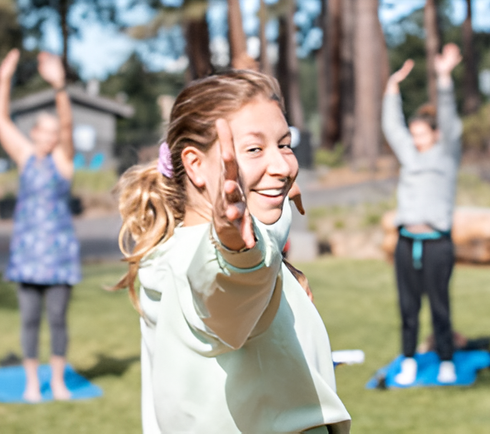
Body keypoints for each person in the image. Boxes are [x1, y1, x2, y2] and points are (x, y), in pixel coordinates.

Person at [113, 68, 344, 433]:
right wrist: (233, 248)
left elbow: (264, 234)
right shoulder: (199, 262)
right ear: (194, 164)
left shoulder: (171, 251)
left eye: (284, 144)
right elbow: (224, 287)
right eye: (254, 149)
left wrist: (279, 207)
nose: (284, 166)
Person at [0, 48, 82, 402]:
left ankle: (58, 382)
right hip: (28, 253)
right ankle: (32, 384)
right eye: (44, 131)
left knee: (57, 320)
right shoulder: (26, 156)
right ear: (34, 133)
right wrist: (3, 79)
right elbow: (0, 120)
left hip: (59, 253)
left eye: (54, 132)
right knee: (29, 320)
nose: (51, 136)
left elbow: (70, 125)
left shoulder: (63, 161)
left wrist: (60, 86)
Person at [383, 44, 463, 386]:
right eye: (413, 135)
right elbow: (392, 127)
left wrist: (444, 77)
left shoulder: (446, 156)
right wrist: (391, 88)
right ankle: (410, 360)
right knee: (407, 308)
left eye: (421, 134)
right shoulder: (410, 156)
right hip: (406, 242)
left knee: (440, 307)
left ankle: (446, 360)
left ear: (436, 135)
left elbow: (448, 117)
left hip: (437, 244)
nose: (415, 140)